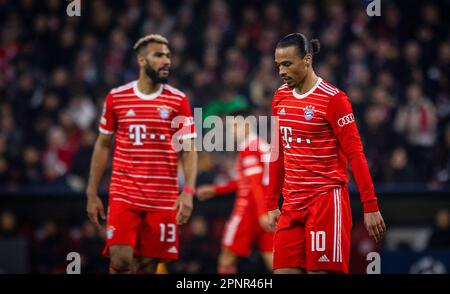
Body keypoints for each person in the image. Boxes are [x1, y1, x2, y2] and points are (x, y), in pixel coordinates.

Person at [266, 33, 386, 274]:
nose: (281, 71)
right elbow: (277, 151)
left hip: (325, 202)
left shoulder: (334, 99)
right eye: (278, 65)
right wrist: (271, 202)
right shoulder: (280, 96)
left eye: (287, 64)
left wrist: (370, 206)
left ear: (307, 60)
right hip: (291, 206)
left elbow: (355, 153)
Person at [86, 34, 197, 274]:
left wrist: (188, 192)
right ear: (142, 60)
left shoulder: (179, 101)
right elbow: (103, 145)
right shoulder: (117, 97)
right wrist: (92, 192)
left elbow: (188, 150)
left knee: (147, 265)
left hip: (163, 197)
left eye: (168, 55)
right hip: (124, 192)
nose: (166, 60)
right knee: (121, 260)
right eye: (159, 55)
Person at [197, 110, 274, 273]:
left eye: (234, 126)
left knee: (226, 258)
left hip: (248, 210)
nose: (231, 131)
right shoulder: (261, 146)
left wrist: (261, 214)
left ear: (247, 125)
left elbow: (255, 184)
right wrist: (216, 190)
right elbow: (247, 181)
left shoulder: (249, 148)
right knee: (274, 261)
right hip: (267, 209)